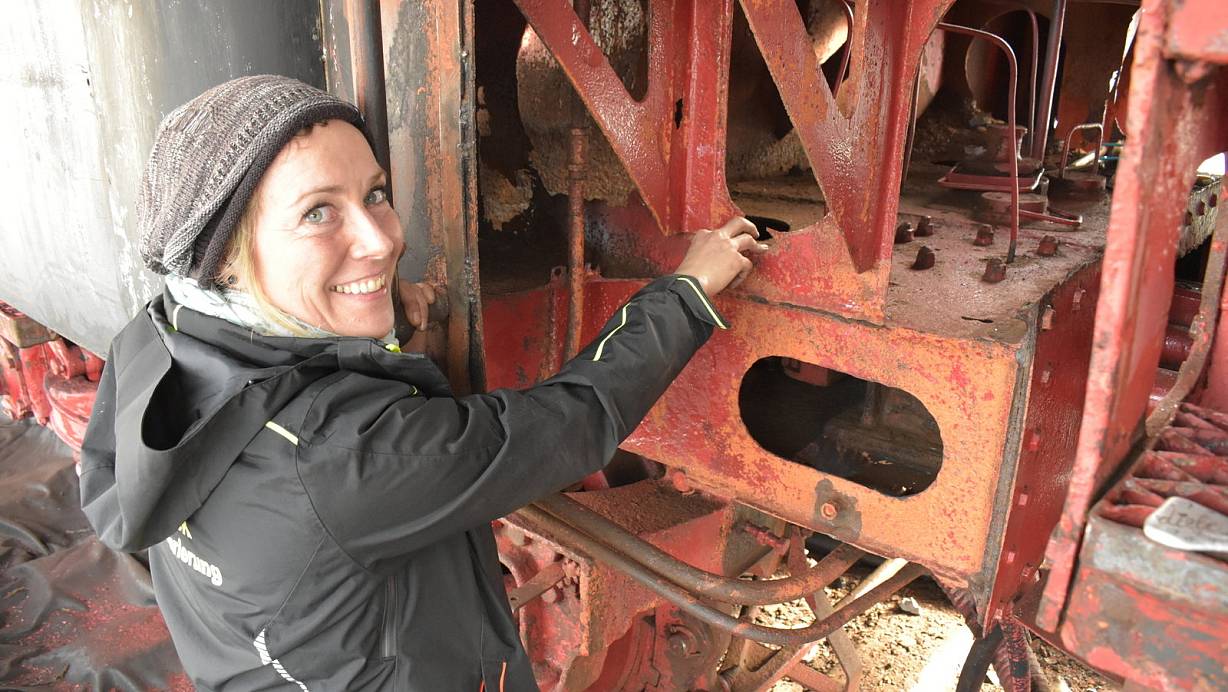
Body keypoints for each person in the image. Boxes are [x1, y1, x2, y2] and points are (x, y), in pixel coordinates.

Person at [79, 75, 765, 691]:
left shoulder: (153, 339)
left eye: (375, 195)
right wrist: (685, 291)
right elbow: (574, 421)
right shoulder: (340, 461)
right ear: (224, 259)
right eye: (318, 212)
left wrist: (359, 331)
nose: (382, 241)